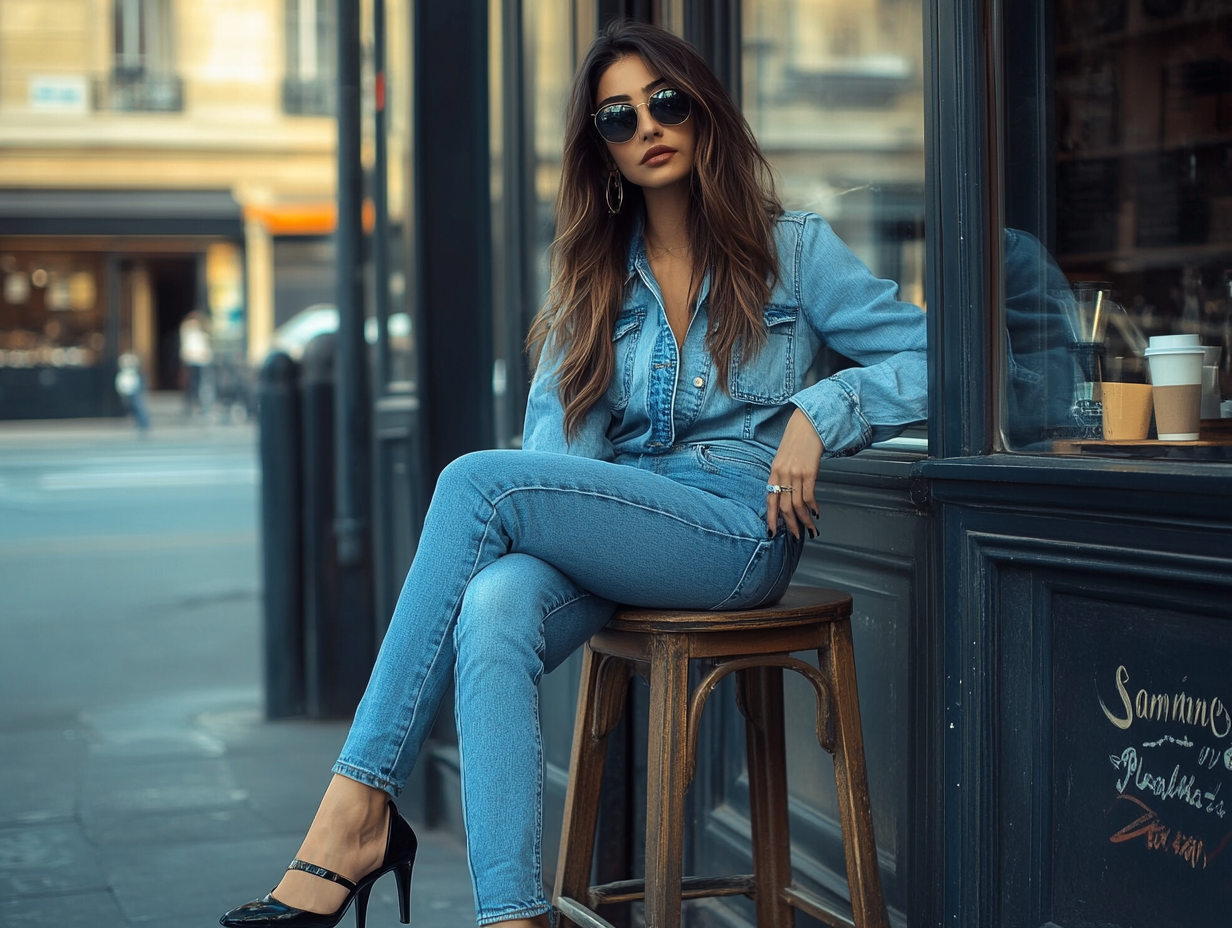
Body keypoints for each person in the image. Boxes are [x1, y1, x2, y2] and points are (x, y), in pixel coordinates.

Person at [219, 21, 926, 928]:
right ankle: (513, 915)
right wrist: (549, 535)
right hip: (627, 527)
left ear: (703, 109)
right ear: (603, 149)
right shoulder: (592, 278)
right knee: (495, 602)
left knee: (475, 482)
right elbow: (557, 473)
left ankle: (354, 812)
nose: (648, 128)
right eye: (619, 119)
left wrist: (817, 415)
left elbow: (940, 359)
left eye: (665, 103)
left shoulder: (794, 250)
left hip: (739, 534)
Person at [114, 351, 151, 433]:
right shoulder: (125, 372)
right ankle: (140, 423)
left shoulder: (134, 373)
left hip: (133, 388)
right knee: (133, 406)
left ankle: (144, 424)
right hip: (129, 389)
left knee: (138, 405)